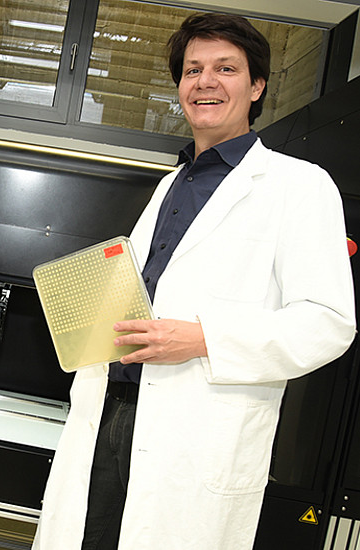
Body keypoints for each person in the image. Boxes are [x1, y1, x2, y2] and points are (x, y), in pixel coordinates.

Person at [32, 13, 355, 550]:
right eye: (192, 70)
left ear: (257, 87)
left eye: (225, 68)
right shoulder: (171, 183)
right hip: (110, 409)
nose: (204, 81)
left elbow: (329, 323)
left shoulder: (297, 185)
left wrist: (203, 338)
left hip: (195, 433)